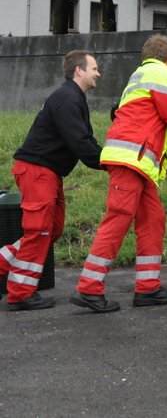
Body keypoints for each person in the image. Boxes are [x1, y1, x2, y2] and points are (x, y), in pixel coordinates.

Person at [70, 34, 167, 313]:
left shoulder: (140, 73)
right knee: (117, 220)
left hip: (133, 161)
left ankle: (148, 287)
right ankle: (89, 288)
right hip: (132, 160)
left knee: (153, 219)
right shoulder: (160, 72)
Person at [0, 51, 103, 310]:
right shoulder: (68, 98)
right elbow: (79, 141)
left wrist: (107, 158)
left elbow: (85, 139)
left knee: (50, 230)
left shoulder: (72, 97)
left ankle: (6, 270)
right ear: (79, 70)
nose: (98, 73)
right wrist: (109, 163)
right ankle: (21, 293)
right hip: (38, 171)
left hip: (47, 172)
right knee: (39, 231)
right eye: (94, 68)